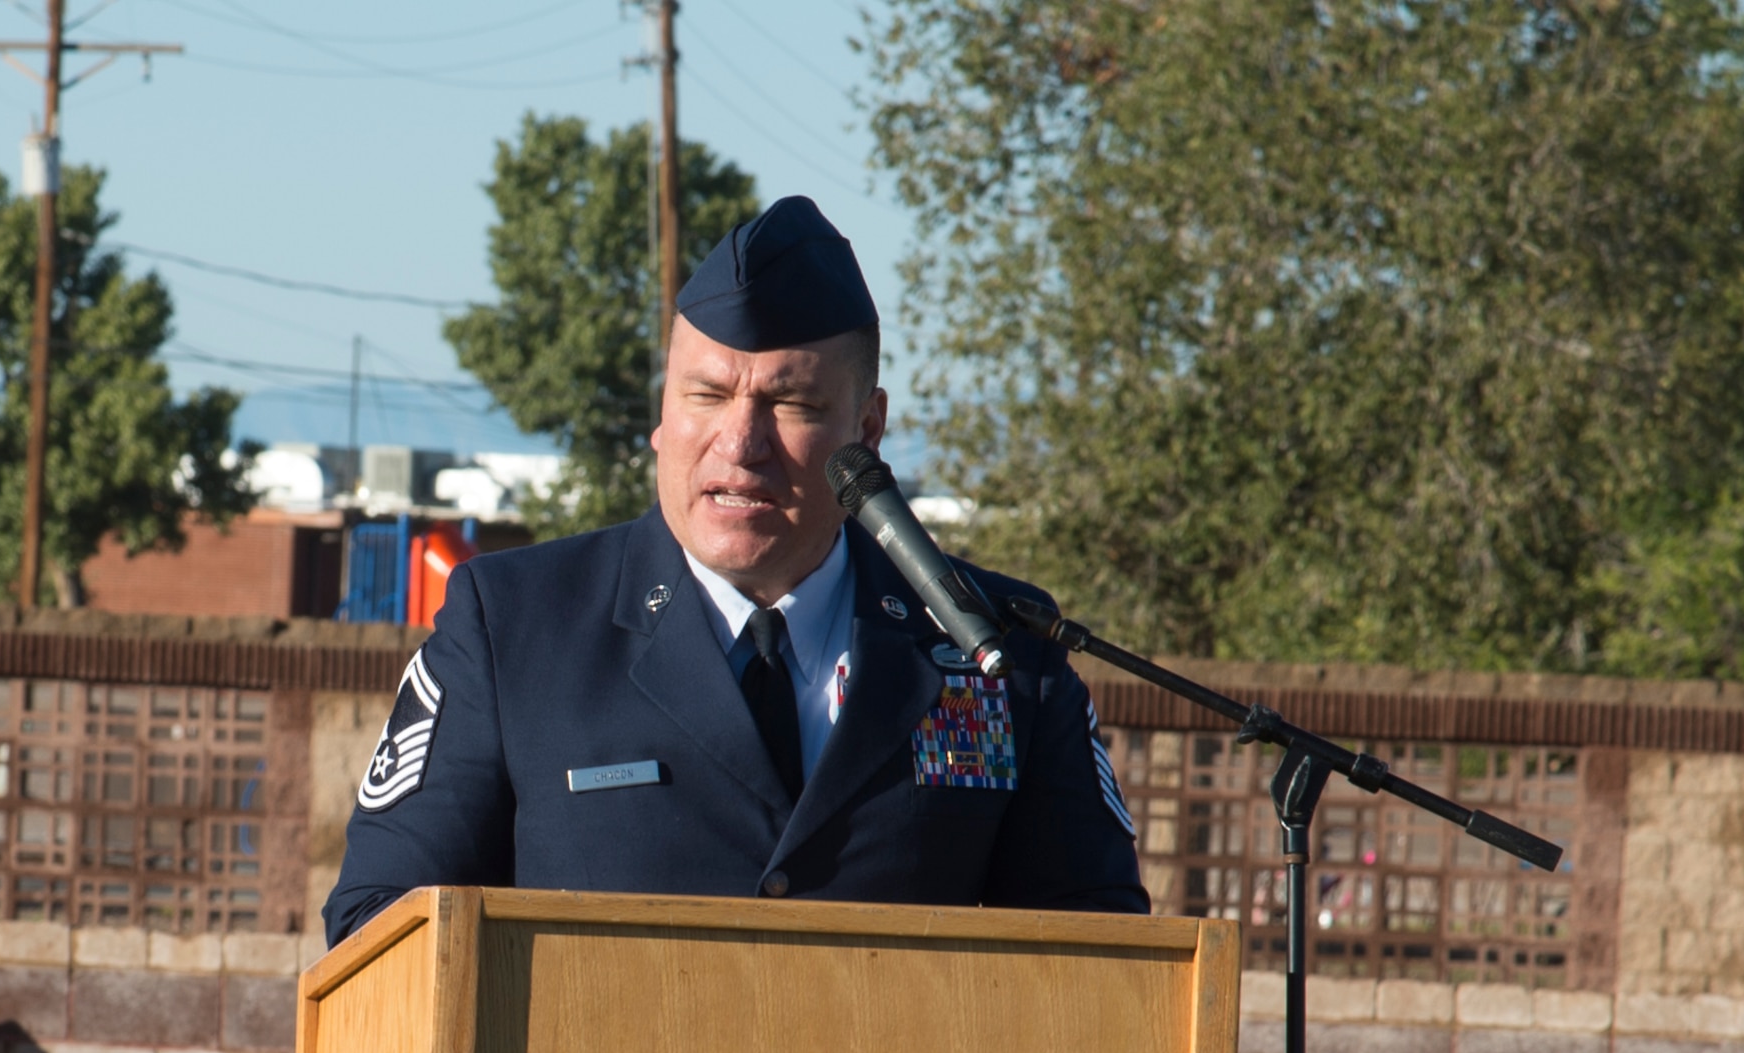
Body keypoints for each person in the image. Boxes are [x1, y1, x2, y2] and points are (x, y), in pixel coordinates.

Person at [323, 196, 1147, 945]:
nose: (741, 446)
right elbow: (379, 931)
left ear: (869, 426)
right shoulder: (513, 628)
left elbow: (1098, 956)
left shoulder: (997, 649)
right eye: (707, 396)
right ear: (661, 413)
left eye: (791, 406)